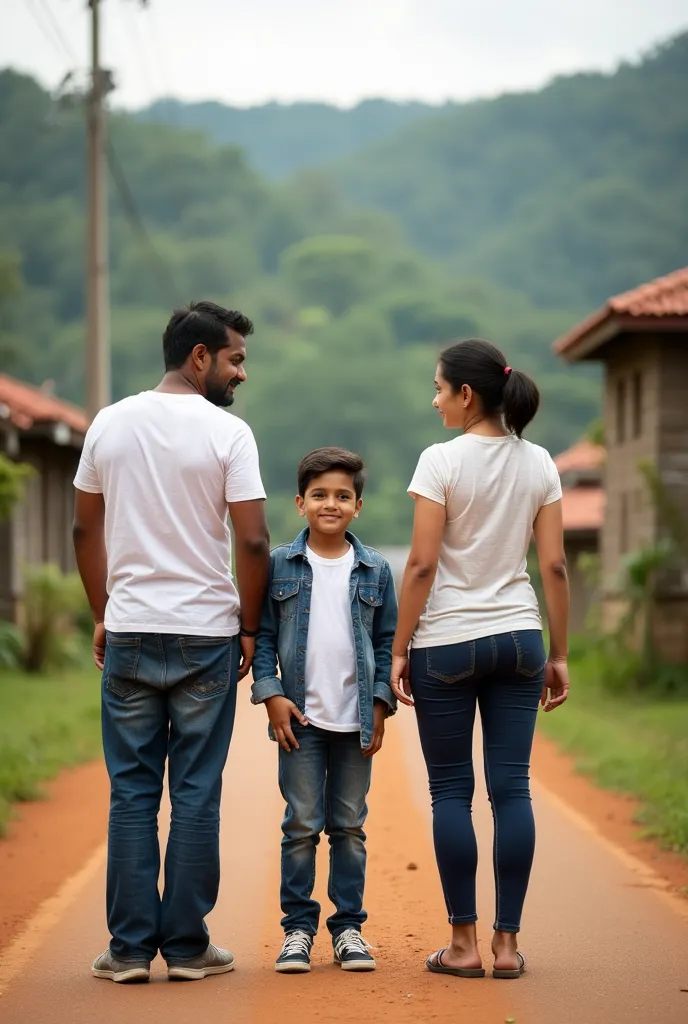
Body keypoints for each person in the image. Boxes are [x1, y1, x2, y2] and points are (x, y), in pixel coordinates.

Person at [73, 300, 270, 984]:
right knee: (194, 793)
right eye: (236, 358)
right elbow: (251, 539)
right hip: (205, 636)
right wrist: (249, 626)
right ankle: (186, 948)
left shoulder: (108, 423)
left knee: (130, 793)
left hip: (129, 628)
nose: (241, 373)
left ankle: (128, 951)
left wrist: (104, 610)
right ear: (199, 357)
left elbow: (82, 529)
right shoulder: (228, 435)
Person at [390, 339, 569, 981]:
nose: (434, 399)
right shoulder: (540, 462)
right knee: (511, 788)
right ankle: (507, 946)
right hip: (521, 637)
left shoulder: (440, 461)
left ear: (467, 394)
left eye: (439, 388)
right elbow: (552, 564)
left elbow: (421, 564)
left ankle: (462, 945)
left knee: (450, 791)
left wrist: (400, 645)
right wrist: (563, 653)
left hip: (448, 640)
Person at [251, 447, 397, 974]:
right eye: (319, 495)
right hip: (301, 722)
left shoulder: (376, 569)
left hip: (355, 719)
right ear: (300, 503)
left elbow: (386, 641)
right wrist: (271, 695)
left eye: (342, 495)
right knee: (301, 826)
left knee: (349, 827)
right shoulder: (281, 566)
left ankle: (349, 929)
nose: (330, 504)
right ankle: (297, 931)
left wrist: (380, 703)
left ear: (358, 505)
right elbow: (264, 635)